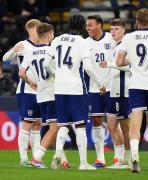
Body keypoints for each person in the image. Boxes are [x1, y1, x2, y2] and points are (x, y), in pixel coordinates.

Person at [44, 14, 105, 170]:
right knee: (80, 126)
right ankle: (83, 163)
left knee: (63, 124)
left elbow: (46, 64)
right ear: (81, 26)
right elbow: (88, 67)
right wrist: (100, 83)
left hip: (59, 88)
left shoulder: (56, 39)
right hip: (76, 88)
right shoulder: (81, 42)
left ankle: (58, 154)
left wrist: (56, 75)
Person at [115, 8, 148, 173]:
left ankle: (135, 155)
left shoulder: (128, 38)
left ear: (136, 22)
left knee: (135, 125)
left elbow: (119, 61)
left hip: (136, 85)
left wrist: (134, 61)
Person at [18, 22, 69, 168]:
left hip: (40, 95)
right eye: (53, 34)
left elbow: (21, 73)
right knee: (55, 128)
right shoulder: (52, 50)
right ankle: (37, 158)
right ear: (50, 35)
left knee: (55, 126)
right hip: (53, 93)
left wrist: (31, 82)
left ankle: (60, 158)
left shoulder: (30, 52)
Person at [2, 19, 42, 167]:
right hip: (27, 90)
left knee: (38, 123)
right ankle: (24, 158)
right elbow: (5, 58)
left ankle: (36, 158)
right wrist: (13, 50)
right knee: (27, 123)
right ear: (32, 29)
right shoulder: (23, 45)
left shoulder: (43, 45)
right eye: (39, 27)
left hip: (40, 91)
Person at [100, 18, 131, 169]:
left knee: (125, 126)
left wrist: (110, 64)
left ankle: (127, 159)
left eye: (116, 29)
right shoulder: (116, 46)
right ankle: (120, 159)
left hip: (122, 91)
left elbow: (130, 66)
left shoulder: (127, 45)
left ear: (124, 30)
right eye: (111, 29)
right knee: (112, 125)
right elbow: (113, 70)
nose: (113, 31)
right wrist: (105, 85)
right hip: (113, 90)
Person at [85, 14, 116, 168]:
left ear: (100, 25)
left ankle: (120, 158)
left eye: (90, 25)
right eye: (86, 25)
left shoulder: (112, 39)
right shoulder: (85, 43)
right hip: (94, 89)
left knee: (115, 123)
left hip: (112, 87)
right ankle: (100, 159)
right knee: (97, 121)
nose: (88, 28)